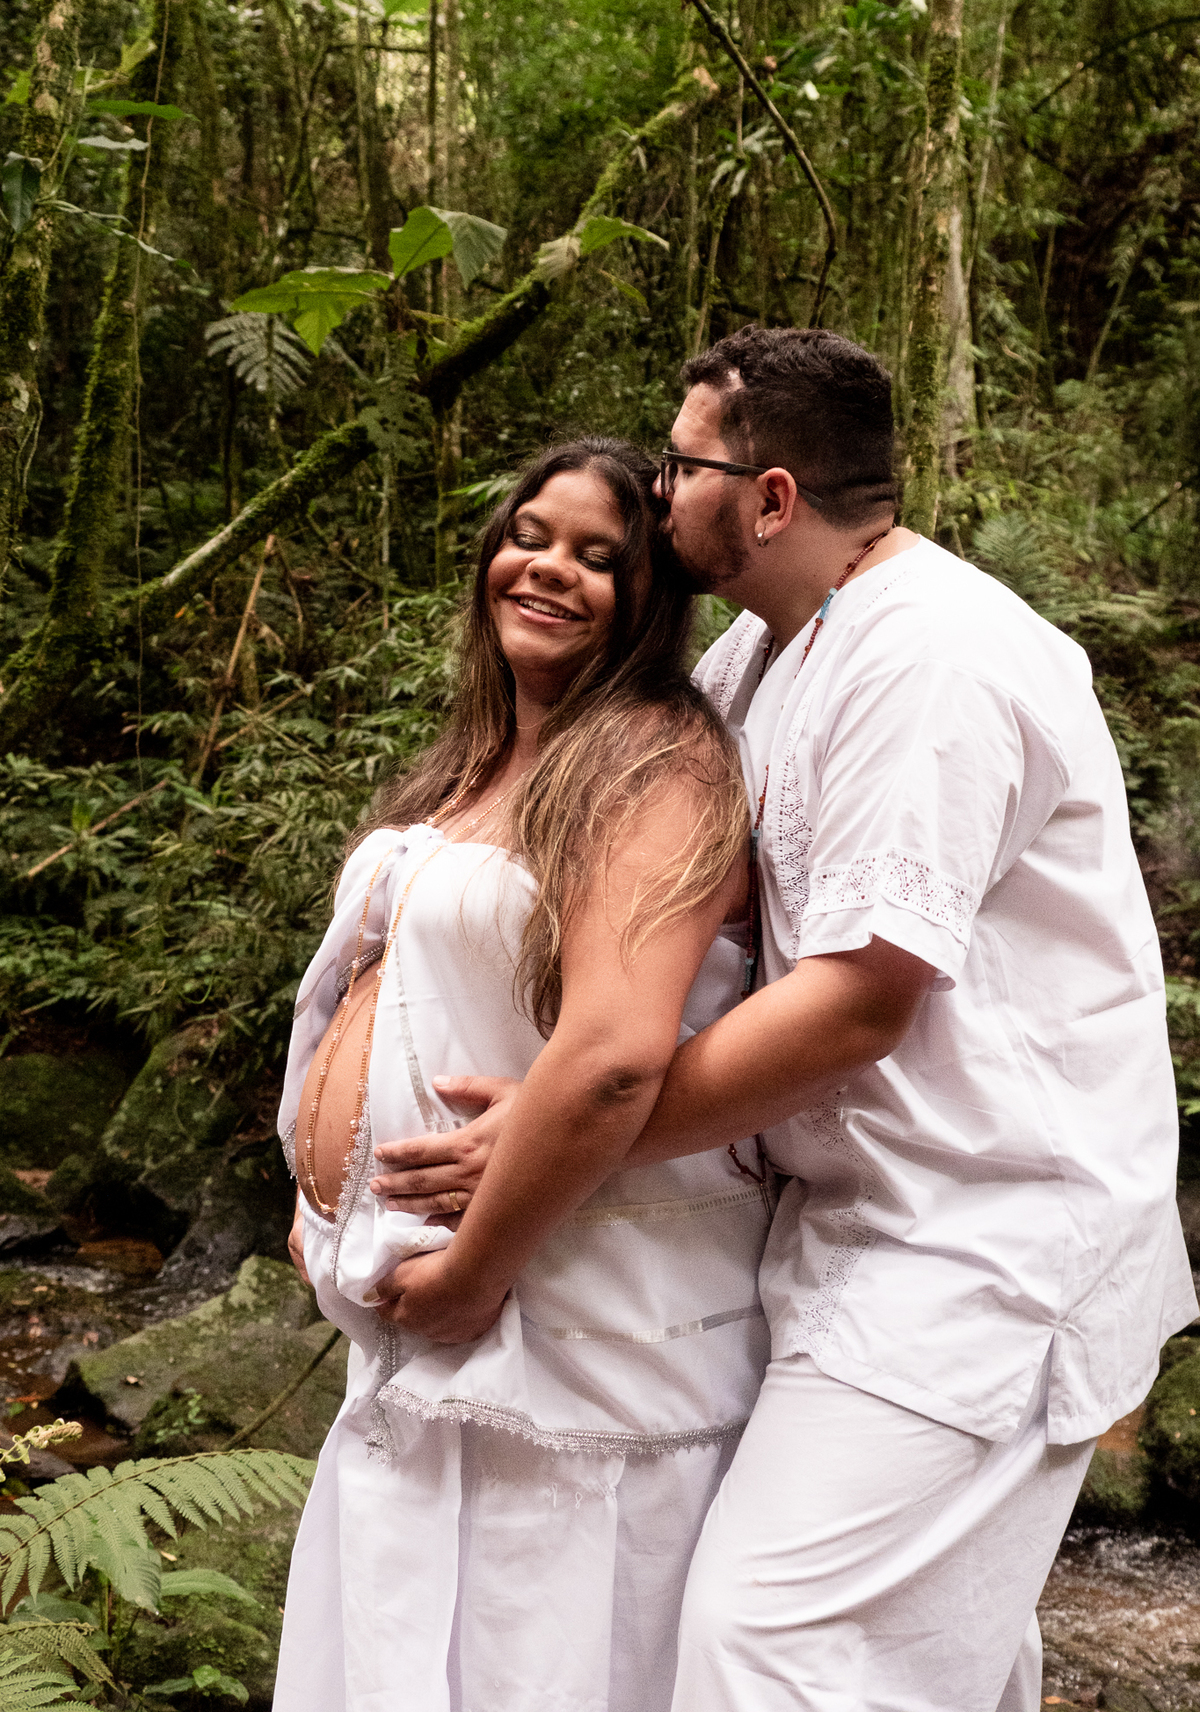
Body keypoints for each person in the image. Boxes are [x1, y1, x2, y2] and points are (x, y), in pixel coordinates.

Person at [374, 329, 1198, 1712]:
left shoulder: (934, 659)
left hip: (982, 1251)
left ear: (767, 499)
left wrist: (573, 1133)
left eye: (679, 464)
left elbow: (857, 1003)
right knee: (931, 1666)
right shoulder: (761, 661)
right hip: (842, 1239)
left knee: (773, 1647)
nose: (653, 486)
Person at [274, 436, 774, 1712]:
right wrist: (320, 1206)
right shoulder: (481, 756)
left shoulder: (656, 761)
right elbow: (374, 995)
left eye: (599, 556)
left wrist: (473, 1271)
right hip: (424, 1320)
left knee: (528, 1655)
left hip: (558, 1325)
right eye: (530, 535)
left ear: (651, 594)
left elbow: (612, 1060)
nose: (548, 569)